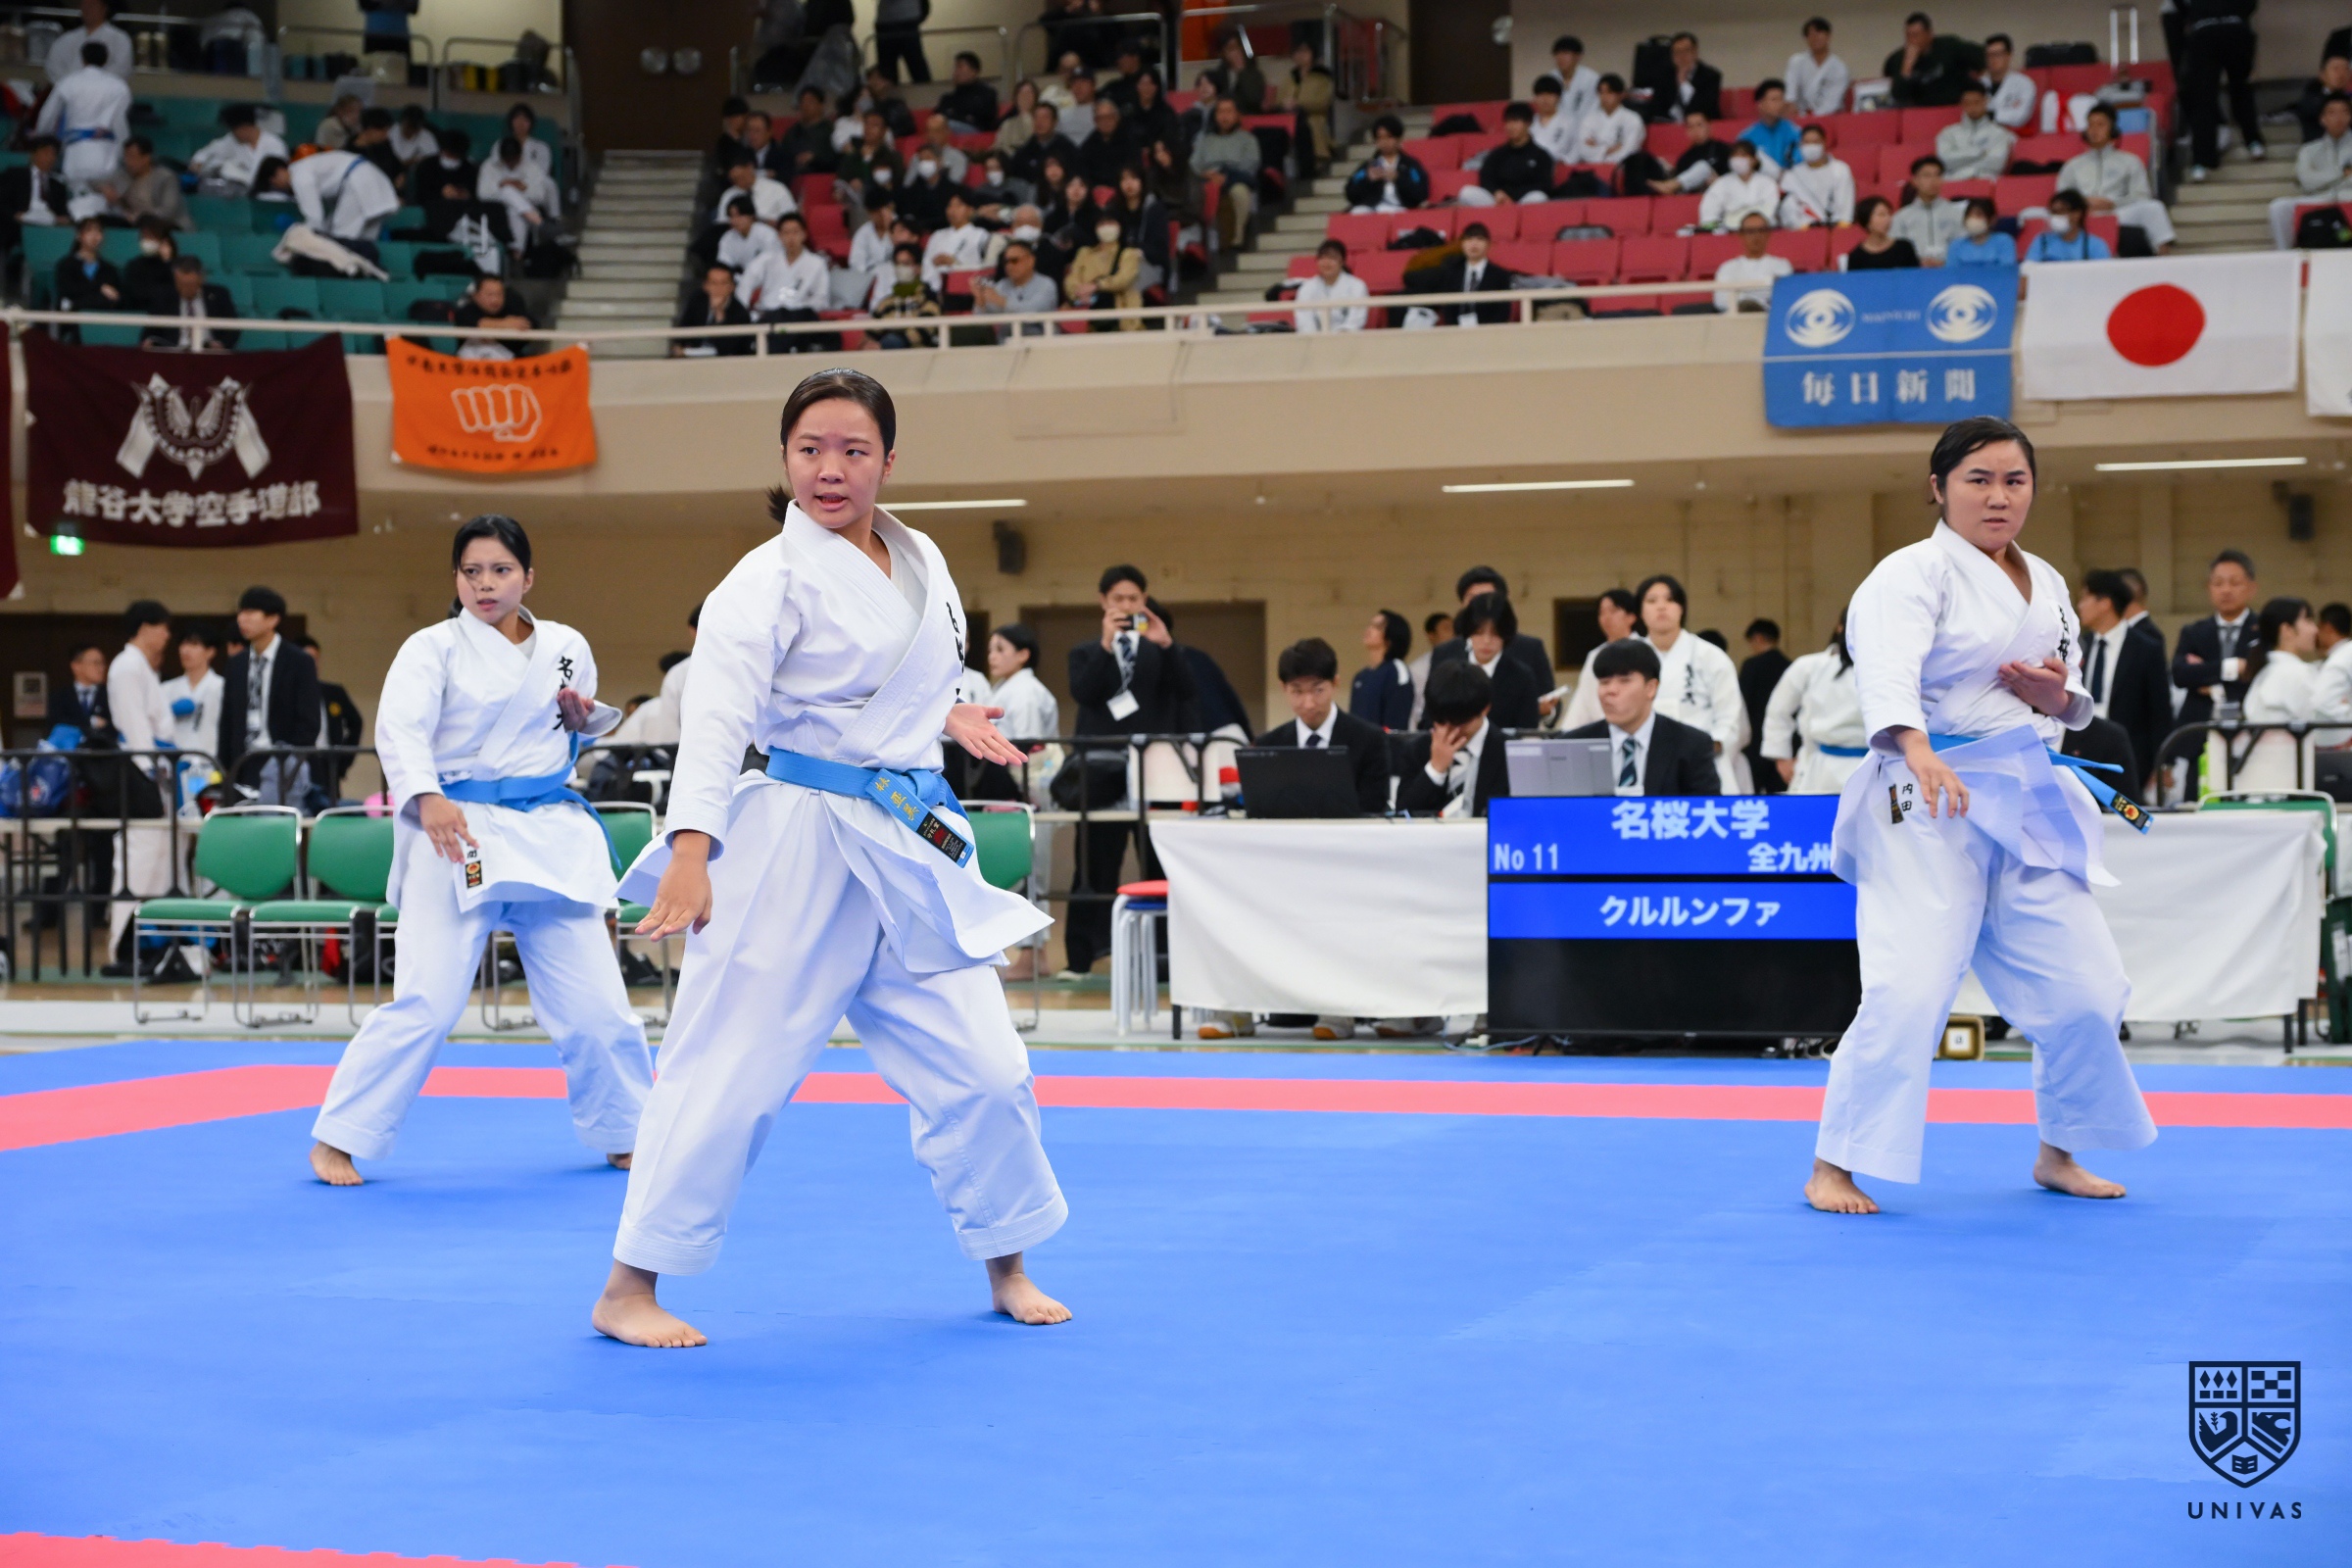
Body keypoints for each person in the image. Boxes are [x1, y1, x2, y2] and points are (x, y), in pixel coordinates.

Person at [596, 370, 1066, 1347]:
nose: (830, 469)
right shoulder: (760, 579)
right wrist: (691, 849)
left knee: (987, 1065)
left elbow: (899, 680)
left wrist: (945, 713)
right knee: (726, 1064)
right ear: (785, 458)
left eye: (854, 450)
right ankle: (629, 1285)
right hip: (794, 841)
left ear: (889, 461)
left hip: (906, 839)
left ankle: (1008, 1261)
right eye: (810, 449)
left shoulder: (921, 557)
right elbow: (717, 721)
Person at [1805, 416, 2155, 1216]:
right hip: (1927, 798)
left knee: (2088, 987)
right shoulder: (1908, 574)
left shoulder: (2048, 581)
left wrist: (2055, 695)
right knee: (1910, 986)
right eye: (1979, 480)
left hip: (2026, 793)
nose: (1999, 497)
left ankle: (2059, 1151)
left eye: (2014, 480)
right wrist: (1916, 748)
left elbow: (2066, 695)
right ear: (1938, 488)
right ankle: (1833, 1164)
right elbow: (1886, 673)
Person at [308, 513, 654, 1187]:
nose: (485, 584)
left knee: (598, 1005)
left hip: (546, 832)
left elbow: (569, 727)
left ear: (529, 577)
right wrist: (427, 796)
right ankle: (339, 1137)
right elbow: (400, 731)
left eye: (500, 570)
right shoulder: (431, 648)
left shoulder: (565, 645)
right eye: (471, 572)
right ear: (456, 579)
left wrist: (581, 722)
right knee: (427, 1002)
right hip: (457, 830)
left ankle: (627, 1130)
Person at [1063, 563, 1194, 976]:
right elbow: (1084, 692)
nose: (1125, 605)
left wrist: (1167, 644)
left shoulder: (1160, 648)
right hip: (1101, 770)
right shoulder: (1086, 652)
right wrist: (1106, 644)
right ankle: (1083, 957)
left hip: (1154, 769)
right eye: (1118, 598)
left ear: (1145, 601)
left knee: (1158, 861)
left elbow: (1188, 690)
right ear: (1103, 601)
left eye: (1133, 599)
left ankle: (1165, 958)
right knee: (1095, 863)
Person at [1563, 639, 1722, 796]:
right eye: (1604, 682)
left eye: (1624, 681)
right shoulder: (1572, 746)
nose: (1610, 690)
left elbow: (1706, 807)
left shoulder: (1691, 745)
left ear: (1651, 688)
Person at [1638, 573, 1747, 791]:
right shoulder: (1628, 659)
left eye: (1670, 600)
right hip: (1644, 761)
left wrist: (1706, 748)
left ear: (1682, 608)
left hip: (1702, 762)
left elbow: (1730, 718)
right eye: (1652, 600)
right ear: (1640, 611)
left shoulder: (1710, 656)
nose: (1661, 606)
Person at [1258, 637, 1390, 814]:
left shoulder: (1369, 741)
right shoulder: (1269, 746)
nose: (1308, 704)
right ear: (1284, 688)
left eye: (1318, 690)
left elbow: (1373, 809)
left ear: (1335, 683)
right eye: (1297, 691)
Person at [216, 586, 321, 805]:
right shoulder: (236, 664)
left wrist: (291, 760)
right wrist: (225, 767)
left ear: (273, 619)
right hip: (243, 763)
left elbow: (309, 720)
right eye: (240, 612)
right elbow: (227, 720)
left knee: (277, 820)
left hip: (281, 762)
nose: (242, 619)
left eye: (250, 612)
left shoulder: (299, 661)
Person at [1761, 623, 1868, 794]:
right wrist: (1781, 756)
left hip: (1875, 763)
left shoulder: (1889, 668)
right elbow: (1778, 711)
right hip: (1820, 766)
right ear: (1841, 628)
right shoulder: (1809, 666)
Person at [2172, 548, 2263, 747]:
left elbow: (2259, 678)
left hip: (2250, 732)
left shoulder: (2264, 631)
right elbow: (2180, 675)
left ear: (2252, 588)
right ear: (2209, 588)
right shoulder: (2193, 632)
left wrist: (2208, 678)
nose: (2226, 590)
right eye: (2218, 583)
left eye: (2235, 583)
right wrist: (2232, 668)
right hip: (2198, 734)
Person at [1396, 662, 1507, 818]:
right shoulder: (1417, 749)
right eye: (1441, 721)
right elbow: (1402, 817)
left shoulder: (1508, 753)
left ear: (1485, 709)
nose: (1450, 730)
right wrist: (1435, 769)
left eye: (1459, 722)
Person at [2059, 103, 2176, 252]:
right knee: (2035, 213)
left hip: (2117, 212)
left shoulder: (2130, 161)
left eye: (2100, 125)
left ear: (2113, 130)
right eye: (2090, 125)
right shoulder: (2072, 165)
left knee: (2154, 208)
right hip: (2081, 216)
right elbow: (2062, 198)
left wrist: (2113, 203)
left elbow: (2141, 196)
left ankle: (2163, 259)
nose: (2094, 130)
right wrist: (2083, 203)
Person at [2234, 597, 2319, 791]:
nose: (2315, 629)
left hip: (2262, 778)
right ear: (2287, 629)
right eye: (2308, 621)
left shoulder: (2266, 671)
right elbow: (2324, 732)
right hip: (2287, 778)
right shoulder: (2295, 673)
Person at [36, 39, 132, 203]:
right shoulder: (119, 86)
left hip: (76, 152)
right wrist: (124, 152)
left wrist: (41, 138)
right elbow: (120, 123)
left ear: (83, 59)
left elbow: (47, 116)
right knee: (104, 200)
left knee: (77, 199)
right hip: (107, 152)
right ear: (106, 59)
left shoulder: (68, 82)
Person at [1431, 567, 1552, 689]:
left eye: (1487, 598)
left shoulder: (1529, 649)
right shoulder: (1444, 652)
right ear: (1462, 604)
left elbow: (1547, 694)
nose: (1480, 606)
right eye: (1473, 599)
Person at [2183, 0, 2263, 181]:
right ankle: (2252, 143)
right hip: (2223, 29)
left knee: (2208, 98)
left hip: (2215, 30)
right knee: (2234, 92)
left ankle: (2203, 160)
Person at [2274, 91, 2352, 249]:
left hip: (2348, 196)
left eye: (2344, 112)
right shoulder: (2309, 150)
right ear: (2322, 119)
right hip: (2320, 197)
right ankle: (2285, 254)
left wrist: (2325, 180)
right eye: (2332, 113)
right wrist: (2341, 174)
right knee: (2278, 207)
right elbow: (2307, 182)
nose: (2339, 118)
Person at [276, 145, 401, 243]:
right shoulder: (305, 167)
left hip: (358, 181)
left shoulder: (298, 176)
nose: (276, 185)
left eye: (273, 181)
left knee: (341, 239)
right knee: (364, 241)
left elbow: (315, 220)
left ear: (279, 172)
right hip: (372, 179)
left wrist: (299, 235)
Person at [1558, 588, 1643, 730]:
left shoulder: (1645, 651)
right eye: (1602, 612)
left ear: (1631, 617)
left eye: (1613, 611)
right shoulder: (1595, 655)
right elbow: (1583, 699)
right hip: (1601, 730)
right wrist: (1567, 733)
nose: (1606, 617)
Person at [1454, 595, 1542, 730]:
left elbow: (1527, 730)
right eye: (1479, 633)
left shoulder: (1521, 676)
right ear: (1468, 632)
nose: (1487, 641)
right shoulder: (1449, 671)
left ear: (1506, 635)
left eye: (1495, 634)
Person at [294, 634, 362, 803]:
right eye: (307, 659)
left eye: (316, 659)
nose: (313, 664)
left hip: (327, 762)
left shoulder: (333, 692)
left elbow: (356, 723)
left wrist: (343, 760)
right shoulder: (287, 694)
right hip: (298, 763)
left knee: (330, 809)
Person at [1191, 96, 1260, 251]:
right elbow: (1193, 165)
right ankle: (1200, 241)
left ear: (1237, 115)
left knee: (1240, 192)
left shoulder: (1248, 139)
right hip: (1207, 179)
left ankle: (1237, 238)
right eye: (1221, 112)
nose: (1224, 116)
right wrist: (1207, 175)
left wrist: (1226, 177)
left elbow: (1250, 166)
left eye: (1229, 111)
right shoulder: (1205, 141)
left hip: (1234, 179)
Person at [1417, 222, 1519, 325]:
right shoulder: (1451, 273)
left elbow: (1502, 313)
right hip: (1456, 331)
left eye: (1479, 239)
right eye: (1469, 239)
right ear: (1462, 244)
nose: (1474, 244)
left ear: (1488, 244)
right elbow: (1448, 309)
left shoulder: (1500, 276)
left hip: (1488, 331)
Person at [1464, 101, 1557, 208]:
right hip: (1498, 202)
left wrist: (1513, 197)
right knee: (1467, 192)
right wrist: (1496, 192)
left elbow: (1544, 185)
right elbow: (1486, 177)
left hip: (1524, 202)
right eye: (1508, 121)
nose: (1511, 126)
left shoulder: (1542, 156)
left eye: (1516, 121)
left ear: (1528, 123)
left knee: (1539, 197)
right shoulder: (1497, 153)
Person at [1884, 12, 1984, 108]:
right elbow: (1898, 96)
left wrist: (1977, 74)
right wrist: (1906, 68)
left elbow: (1982, 56)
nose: (1912, 41)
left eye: (1916, 35)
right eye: (1908, 36)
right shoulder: (1897, 59)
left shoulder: (1949, 46)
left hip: (1953, 106)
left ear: (1929, 34)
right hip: (1920, 111)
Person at [139, 255, 238, 351]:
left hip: (209, 352)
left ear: (201, 279)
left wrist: (222, 344)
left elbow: (233, 327)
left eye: (190, 285)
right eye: (180, 284)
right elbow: (150, 331)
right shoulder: (163, 298)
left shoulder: (219, 295)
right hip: (174, 353)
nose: (185, 289)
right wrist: (149, 341)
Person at [983, 622, 1059, 741]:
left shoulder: (1026, 691)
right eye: (990, 651)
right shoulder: (1006, 687)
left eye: (1000, 650)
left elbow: (1027, 742)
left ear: (1023, 655)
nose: (991, 657)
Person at [1063, 212, 1142, 327]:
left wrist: (1096, 286)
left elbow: (1124, 279)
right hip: (1087, 316)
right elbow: (1071, 279)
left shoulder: (1129, 253)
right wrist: (1078, 293)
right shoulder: (1084, 253)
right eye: (1102, 224)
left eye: (1111, 223)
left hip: (1121, 318)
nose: (1106, 227)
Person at [1740, 619, 1791, 793]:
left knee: (1752, 794)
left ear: (1758, 638)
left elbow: (1742, 702)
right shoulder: (1789, 666)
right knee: (1779, 793)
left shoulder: (1751, 666)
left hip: (1755, 740)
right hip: (1783, 743)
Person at [160, 626, 224, 761]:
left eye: (194, 644)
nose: (186, 650)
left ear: (210, 652)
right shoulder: (166, 689)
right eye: (183, 644)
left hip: (210, 761)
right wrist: (167, 712)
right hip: (174, 762)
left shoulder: (221, 687)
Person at [188, 105, 286, 193]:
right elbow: (205, 154)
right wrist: (198, 164)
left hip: (269, 193)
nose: (233, 134)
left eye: (234, 130)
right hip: (239, 193)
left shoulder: (275, 145)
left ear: (246, 128)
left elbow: (280, 177)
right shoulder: (231, 140)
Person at [1637, 108, 1732, 197]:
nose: (1696, 130)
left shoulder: (1723, 149)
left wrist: (1718, 181)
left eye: (1699, 125)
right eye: (1691, 127)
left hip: (1720, 191)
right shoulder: (1685, 158)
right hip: (1694, 194)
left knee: (1703, 167)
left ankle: (1669, 186)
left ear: (1709, 126)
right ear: (1687, 131)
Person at [973, 239, 1059, 338]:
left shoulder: (1046, 284)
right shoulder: (1002, 285)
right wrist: (980, 300)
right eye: (1006, 262)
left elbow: (1032, 313)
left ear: (1031, 261)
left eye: (1015, 261)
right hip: (1006, 342)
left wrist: (1002, 302)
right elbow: (982, 322)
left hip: (1041, 341)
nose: (1009, 266)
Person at [102, 135, 189, 231]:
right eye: (126, 157)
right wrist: (105, 189)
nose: (128, 162)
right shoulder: (124, 176)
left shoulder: (166, 178)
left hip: (167, 226)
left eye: (132, 157)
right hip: (135, 225)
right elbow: (95, 182)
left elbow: (168, 211)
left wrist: (140, 217)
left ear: (146, 158)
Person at [1345, 116, 1429, 213]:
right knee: (1357, 211)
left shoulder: (1410, 165)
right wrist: (1368, 179)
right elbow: (1350, 193)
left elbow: (1421, 193)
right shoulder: (1368, 166)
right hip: (1372, 208)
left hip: (1400, 209)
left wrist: (1398, 178)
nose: (1384, 142)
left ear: (1399, 138)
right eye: (1380, 138)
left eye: (1389, 137)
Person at [1778, 123, 1854, 227]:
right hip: (1803, 230)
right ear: (1800, 145)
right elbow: (1788, 209)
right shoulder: (1792, 175)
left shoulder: (1840, 169)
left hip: (1836, 227)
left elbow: (1846, 207)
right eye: (1806, 142)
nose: (1811, 147)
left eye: (1815, 142)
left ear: (1824, 143)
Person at [1887, 156, 1962, 264]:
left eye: (1937, 175)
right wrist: (1917, 263)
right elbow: (1896, 251)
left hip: (1949, 269)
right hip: (1914, 270)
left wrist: (1945, 263)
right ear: (1915, 181)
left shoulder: (1956, 213)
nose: (1933, 180)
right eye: (1927, 176)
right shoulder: (1901, 217)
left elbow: (1964, 246)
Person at [867, 242, 943, 348]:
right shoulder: (886, 303)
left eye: (906, 263)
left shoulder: (929, 298)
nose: (901, 268)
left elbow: (924, 331)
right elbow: (871, 331)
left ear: (918, 268)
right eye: (897, 264)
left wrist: (891, 341)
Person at [1713, 212, 1790, 312]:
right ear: (1741, 234)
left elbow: (1784, 298)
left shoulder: (1781, 266)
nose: (1756, 236)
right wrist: (1754, 303)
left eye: (1761, 230)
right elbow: (1721, 301)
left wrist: (1743, 296)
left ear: (1768, 234)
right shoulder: (1727, 268)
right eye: (1750, 231)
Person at [1936, 82, 2014, 181]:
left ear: (1986, 101)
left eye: (1976, 102)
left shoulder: (1999, 133)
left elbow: (1996, 164)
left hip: (1987, 181)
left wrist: (1965, 168)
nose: (1972, 107)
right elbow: (1944, 162)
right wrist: (1979, 153)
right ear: (1961, 104)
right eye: (1967, 103)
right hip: (1954, 182)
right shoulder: (1948, 133)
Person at [52, 216, 122, 323]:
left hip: (102, 320)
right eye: (89, 231)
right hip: (73, 319)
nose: (95, 236)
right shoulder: (66, 265)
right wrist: (99, 288)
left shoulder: (109, 269)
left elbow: (114, 296)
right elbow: (68, 290)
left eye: (98, 231)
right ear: (79, 235)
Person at [674, 263, 754, 357]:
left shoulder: (740, 313)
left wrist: (719, 315)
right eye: (713, 283)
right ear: (705, 286)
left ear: (732, 287)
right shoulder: (697, 301)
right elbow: (683, 330)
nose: (718, 288)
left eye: (723, 283)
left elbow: (728, 349)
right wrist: (680, 347)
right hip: (693, 356)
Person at [452, 273, 536, 360]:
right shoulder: (465, 312)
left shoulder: (512, 310)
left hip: (508, 366)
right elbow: (473, 323)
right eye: (489, 294)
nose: (495, 300)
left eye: (499, 294)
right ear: (476, 296)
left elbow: (531, 324)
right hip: (469, 365)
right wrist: (505, 324)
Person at [1352, 610, 1413, 729]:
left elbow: (1397, 723)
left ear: (1392, 635)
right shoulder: (1361, 677)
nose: (1369, 629)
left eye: (1377, 627)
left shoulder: (1396, 670)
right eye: (1370, 625)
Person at [1278, 40, 1334, 168]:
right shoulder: (1289, 78)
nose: (1300, 55)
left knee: (1310, 126)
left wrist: (1299, 104)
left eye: (1304, 51)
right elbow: (1279, 100)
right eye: (1297, 51)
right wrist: (1285, 104)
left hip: (1313, 119)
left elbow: (1323, 103)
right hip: (1289, 119)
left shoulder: (1322, 78)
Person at [1574, 75, 1646, 173]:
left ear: (1621, 95)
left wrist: (1597, 148)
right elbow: (1583, 149)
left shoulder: (1633, 119)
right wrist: (1607, 149)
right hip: (1592, 169)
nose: (1604, 97)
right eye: (1601, 92)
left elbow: (1629, 150)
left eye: (1609, 92)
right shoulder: (1589, 119)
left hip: (1622, 169)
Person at [45, 0, 130, 82]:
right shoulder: (66, 39)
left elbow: (122, 69)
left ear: (104, 9)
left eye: (92, 5)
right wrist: (72, 84)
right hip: (70, 89)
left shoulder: (120, 39)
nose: (88, 9)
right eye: (84, 5)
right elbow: (53, 66)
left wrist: (96, 84)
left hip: (106, 90)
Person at [1699, 143, 1780, 230]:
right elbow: (1709, 211)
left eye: (1743, 155)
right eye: (1735, 156)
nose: (1738, 159)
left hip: (1762, 229)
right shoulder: (1722, 183)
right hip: (1731, 230)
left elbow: (1770, 209)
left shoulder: (1767, 182)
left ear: (1754, 160)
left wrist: (1751, 222)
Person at [1293, 239, 1367, 332]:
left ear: (1342, 261)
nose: (1326, 263)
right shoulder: (1307, 287)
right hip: (1315, 339)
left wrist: (1338, 336)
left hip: (1347, 338)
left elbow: (1355, 321)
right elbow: (1304, 320)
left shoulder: (1357, 286)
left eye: (1332, 258)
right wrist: (1315, 338)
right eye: (1322, 258)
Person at [1651, 31, 1723, 122]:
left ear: (1695, 52)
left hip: (1702, 125)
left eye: (1686, 51)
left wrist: (1683, 83)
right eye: (1677, 52)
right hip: (1670, 126)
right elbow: (1657, 108)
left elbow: (1705, 108)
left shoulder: (1710, 76)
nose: (1682, 56)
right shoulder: (1663, 76)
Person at [1787, 17, 1850, 118]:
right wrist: (1791, 105)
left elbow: (1833, 101)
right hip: (1800, 115)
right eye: (1810, 35)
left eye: (1819, 33)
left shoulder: (1839, 67)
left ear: (1828, 36)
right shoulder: (1797, 61)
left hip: (1829, 117)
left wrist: (1815, 118)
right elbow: (1790, 91)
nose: (1815, 38)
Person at [2025, 190, 2112, 261]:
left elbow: (2103, 273)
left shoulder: (2095, 245)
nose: (2056, 216)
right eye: (2054, 212)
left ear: (2077, 214)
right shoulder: (2042, 241)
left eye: (2061, 211)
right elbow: (2029, 270)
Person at [1740, 80, 1803, 176]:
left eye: (1781, 99)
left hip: (1791, 179)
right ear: (1760, 104)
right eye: (1774, 100)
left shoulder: (1795, 132)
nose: (1780, 104)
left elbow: (1801, 162)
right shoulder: (1747, 137)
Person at [1981, 34, 2037, 129]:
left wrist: (1991, 115)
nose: (1993, 59)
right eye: (1989, 55)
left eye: (1997, 54)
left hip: (2012, 133)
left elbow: (2020, 116)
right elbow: (1970, 114)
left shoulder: (2024, 83)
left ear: (2009, 55)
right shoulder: (1979, 84)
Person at [713, 195, 781, 274]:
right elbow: (724, 266)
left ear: (751, 216)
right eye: (732, 216)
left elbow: (774, 262)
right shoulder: (727, 238)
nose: (735, 220)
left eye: (739, 215)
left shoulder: (767, 234)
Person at [1941, 197, 2015, 267]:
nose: (1973, 219)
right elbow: (1952, 271)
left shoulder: (2004, 242)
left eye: (1978, 215)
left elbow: (2006, 270)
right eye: (1969, 216)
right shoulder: (1956, 245)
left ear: (1992, 220)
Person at [1527, 74, 1581, 168]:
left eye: (1550, 95)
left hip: (1561, 167)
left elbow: (1577, 147)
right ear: (1535, 98)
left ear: (1559, 98)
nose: (1545, 99)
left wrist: (1566, 161)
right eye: (1541, 95)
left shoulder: (1569, 121)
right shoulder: (1529, 123)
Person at [1207, 31, 1266, 114]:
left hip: (1248, 115)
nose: (1236, 52)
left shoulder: (1254, 74)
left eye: (1238, 47)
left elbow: (1254, 99)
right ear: (1223, 53)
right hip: (1223, 116)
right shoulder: (1219, 74)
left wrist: (1242, 72)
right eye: (1231, 49)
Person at [389, 104, 439, 168]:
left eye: (414, 129)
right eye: (408, 127)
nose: (410, 132)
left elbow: (434, 158)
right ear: (402, 122)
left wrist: (416, 160)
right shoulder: (391, 131)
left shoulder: (426, 136)